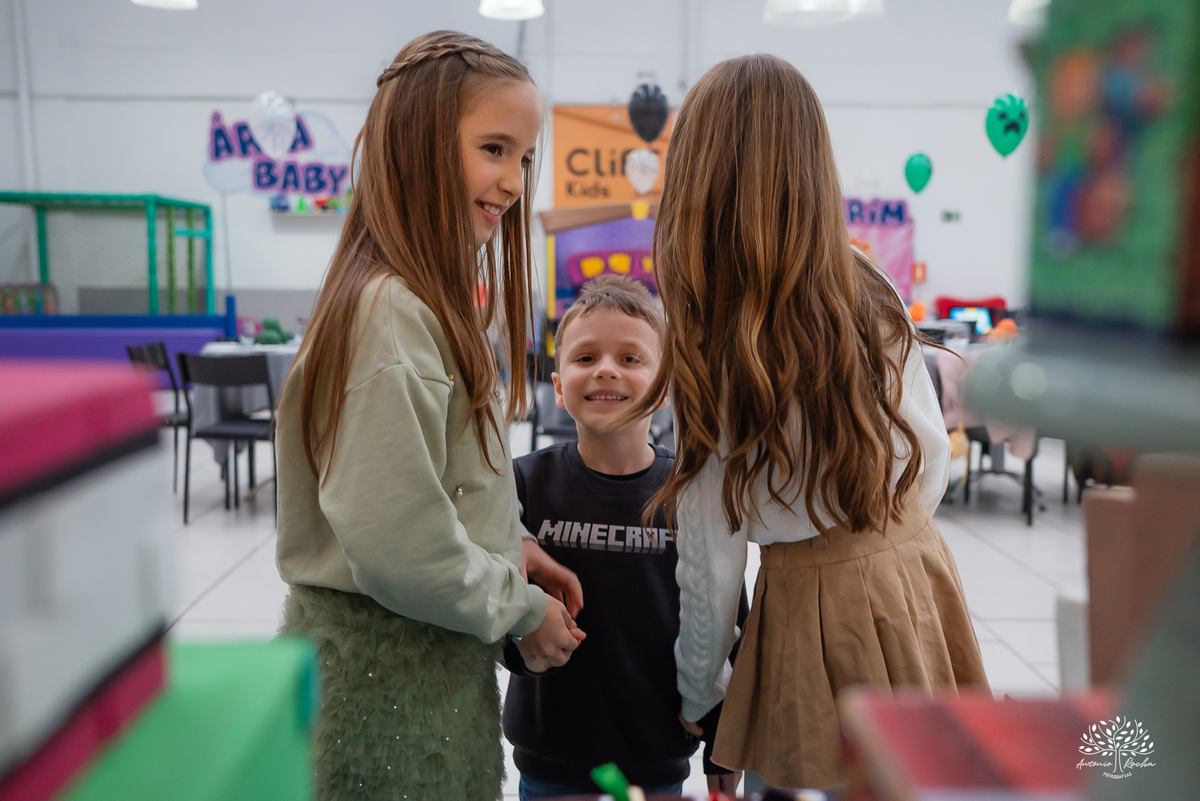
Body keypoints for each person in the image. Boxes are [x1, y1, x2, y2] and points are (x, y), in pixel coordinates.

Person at [626, 54, 990, 790]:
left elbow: (712, 555)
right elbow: (930, 452)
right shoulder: (867, 283)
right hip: (914, 567)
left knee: (807, 776)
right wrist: (884, 537)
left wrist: (701, 686)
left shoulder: (714, 332)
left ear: (699, 177)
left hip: (815, 596)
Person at [273, 31, 584, 801]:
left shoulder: (418, 305)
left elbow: (428, 484)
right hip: (385, 697)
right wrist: (521, 606)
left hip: (419, 679)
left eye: (523, 156)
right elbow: (397, 545)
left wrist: (506, 546)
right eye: (492, 148)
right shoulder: (391, 313)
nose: (512, 180)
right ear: (415, 146)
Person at [504, 276, 746, 800]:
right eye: (585, 357)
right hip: (550, 760)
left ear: (663, 389)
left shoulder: (692, 492)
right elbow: (491, 594)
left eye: (631, 359)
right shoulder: (521, 484)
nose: (607, 369)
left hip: (657, 754)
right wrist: (519, 643)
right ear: (559, 386)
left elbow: (727, 618)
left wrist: (724, 739)